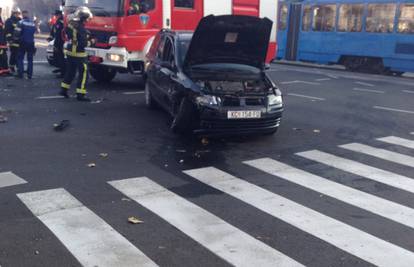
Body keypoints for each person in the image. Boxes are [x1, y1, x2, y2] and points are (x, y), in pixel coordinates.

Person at [60, 7, 93, 102]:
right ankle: (81, 94)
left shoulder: (71, 24)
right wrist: (92, 41)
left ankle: (64, 90)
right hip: (79, 54)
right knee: (84, 73)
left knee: (70, 71)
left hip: (70, 52)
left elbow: (67, 33)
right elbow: (83, 44)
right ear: (83, 18)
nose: (87, 20)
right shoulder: (81, 28)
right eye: (87, 19)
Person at [14, 10, 36, 79]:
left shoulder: (20, 22)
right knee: (30, 59)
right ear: (28, 14)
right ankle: (29, 75)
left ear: (23, 15)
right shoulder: (32, 23)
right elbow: (33, 32)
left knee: (20, 58)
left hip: (23, 43)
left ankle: (20, 74)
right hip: (31, 43)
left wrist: (15, 40)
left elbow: (17, 33)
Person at [48, 10, 65, 77]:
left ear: (59, 15)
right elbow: (54, 32)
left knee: (61, 58)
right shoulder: (58, 22)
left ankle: (63, 72)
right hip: (60, 42)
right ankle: (61, 70)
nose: (55, 16)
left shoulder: (60, 22)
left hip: (60, 43)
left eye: (56, 15)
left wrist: (56, 45)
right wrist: (51, 37)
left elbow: (58, 35)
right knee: (59, 57)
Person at [5, 7, 21, 74]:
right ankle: (12, 67)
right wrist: (9, 40)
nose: (17, 15)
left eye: (18, 13)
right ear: (13, 13)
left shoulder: (20, 20)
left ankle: (19, 67)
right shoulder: (9, 21)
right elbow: (7, 31)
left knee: (18, 55)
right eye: (16, 13)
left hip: (19, 41)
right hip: (13, 41)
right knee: (14, 54)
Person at [0, 6, 10, 75]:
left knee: (4, 57)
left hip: (2, 43)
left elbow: (2, 31)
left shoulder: (0, 19)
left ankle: (5, 71)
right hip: (1, 43)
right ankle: (3, 71)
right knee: (2, 57)